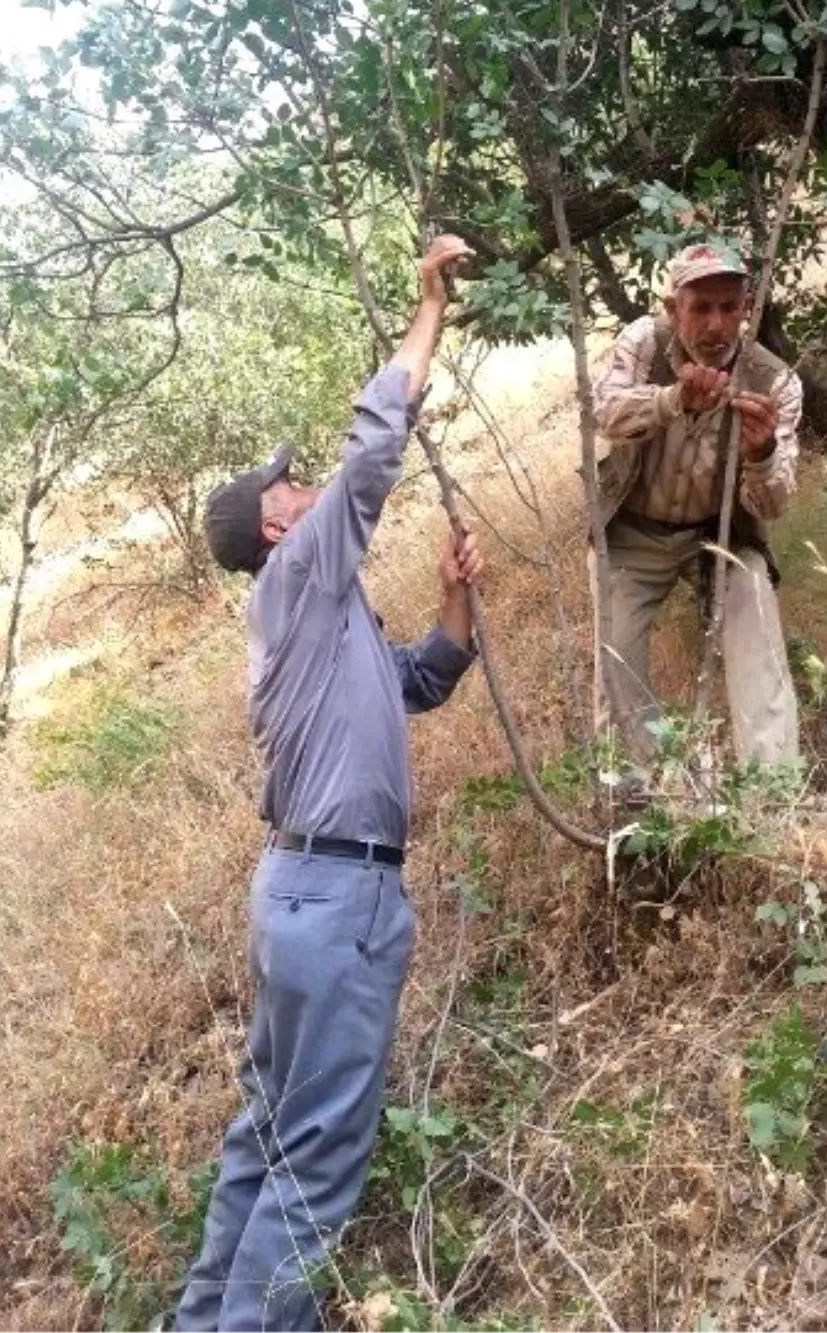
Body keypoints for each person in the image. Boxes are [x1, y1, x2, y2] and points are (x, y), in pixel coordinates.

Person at [176, 235, 482, 1333]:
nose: (306, 486)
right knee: (319, 1151)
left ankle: (203, 1316)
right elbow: (372, 452)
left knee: (267, 1126)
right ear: (275, 523)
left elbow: (417, 685)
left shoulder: (319, 615)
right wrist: (426, 311)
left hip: (298, 895)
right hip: (336, 898)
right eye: (288, 484)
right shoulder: (301, 569)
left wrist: (454, 604)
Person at [590, 241, 802, 774]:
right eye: (700, 308)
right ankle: (648, 789)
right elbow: (604, 413)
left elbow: (772, 505)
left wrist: (762, 453)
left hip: (718, 535)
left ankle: (773, 784)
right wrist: (673, 401)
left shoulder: (775, 380)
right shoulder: (643, 343)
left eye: (730, 307)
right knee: (616, 663)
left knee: (754, 603)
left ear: (746, 309)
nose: (716, 325)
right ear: (672, 309)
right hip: (633, 533)